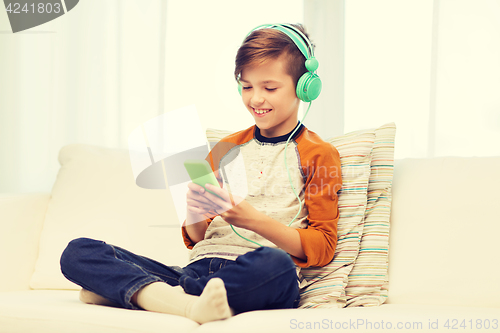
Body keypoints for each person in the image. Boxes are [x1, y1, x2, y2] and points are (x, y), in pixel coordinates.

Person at [60, 23, 342, 324]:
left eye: (269, 88)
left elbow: (322, 247)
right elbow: (198, 237)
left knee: (277, 265)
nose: (255, 99)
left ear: (304, 87)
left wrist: (252, 220)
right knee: (78, 252)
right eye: (246, 87)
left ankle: (147, 293)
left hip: (258, 272)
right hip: (197, 270)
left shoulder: (318, 153)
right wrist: (194, 211)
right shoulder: (225, 148)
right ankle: (189, 301)